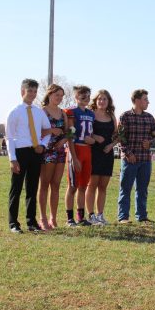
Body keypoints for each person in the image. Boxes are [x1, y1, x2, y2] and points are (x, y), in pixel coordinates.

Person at [5, 78, 51, 233]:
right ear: (22, 91)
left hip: (35, 152)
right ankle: (13, 224)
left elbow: (48, 130)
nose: (32, 94)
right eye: (29, 90)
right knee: (16, 189)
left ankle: (31, 222)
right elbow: (9, 137)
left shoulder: (39, 112)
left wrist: (43, 145)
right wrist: (12, 159)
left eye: (35, 91)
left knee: (32, 188)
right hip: (20, 152)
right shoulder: (15, 112)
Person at [117, 89, 155, 223]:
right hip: (129, 160)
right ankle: (123, 217)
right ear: (136, 100)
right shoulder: (125, 116)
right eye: (145, 99)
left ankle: (141, 216)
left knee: (142, 190)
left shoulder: (149, 117)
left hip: (145, 160)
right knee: (125, 189)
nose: (148, 102)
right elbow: (120, 138)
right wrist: (128, 154)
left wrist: (151, 143)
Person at [85, 89, 119, 226]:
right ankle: (91, 215)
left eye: (104, 99)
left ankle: (100, 215)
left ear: (108, 101)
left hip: (107, 153)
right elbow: (85, 132)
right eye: (99, 99)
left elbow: (117, 136)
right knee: (92, 185)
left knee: (103, 187)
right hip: (93, 152)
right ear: (95, 100)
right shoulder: (90, 115)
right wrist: (94, 136)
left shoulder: (112, 116)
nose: (102, 101)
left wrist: (111, 145)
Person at [64, 85, 96, 227]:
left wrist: (93, 140)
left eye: (88, 96)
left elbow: (90, 133)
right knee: (73, 186)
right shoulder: (71, 112)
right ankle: (70, 218)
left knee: (83, 185)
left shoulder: (91, 114)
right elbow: (70, 135)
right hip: (76, 149)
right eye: (83, 97)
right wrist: (74, 157)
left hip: (87, 151)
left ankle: (81, 217)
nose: (86, 99)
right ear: (76, 97)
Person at [38, 84, 68, 230]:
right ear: (49, 94)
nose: (59, 98)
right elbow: (36, 131)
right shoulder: (42, 112)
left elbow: (69, 132)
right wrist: (51, 130)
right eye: (57, 95)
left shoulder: (63, 113)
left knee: (56, 185)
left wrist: (64, 139)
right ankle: (42, 218)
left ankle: (53, 218)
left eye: (62, 96)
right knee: (44, 184)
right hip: (46, 151)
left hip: (60, 152)